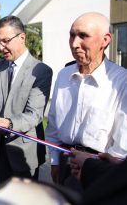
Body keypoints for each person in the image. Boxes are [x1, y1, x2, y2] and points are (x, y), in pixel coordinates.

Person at [45, 12, 127, 187]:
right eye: (72, 35)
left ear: (105, 40)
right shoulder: (63, 75)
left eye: (83, 35)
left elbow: (123, 140)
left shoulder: (121, 81)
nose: (74, 44)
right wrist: (55, 161)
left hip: (102, 170)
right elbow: (53, 123)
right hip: (66, 163)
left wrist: (96, 168)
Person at [0, 16, 53, 183]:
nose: (1, 47)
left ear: (22, 37)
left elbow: (35, 115)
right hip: (0, 149)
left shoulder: (41, 71)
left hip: (25, 151)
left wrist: (9, 124)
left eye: (6, 41)